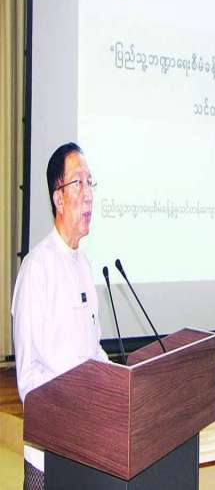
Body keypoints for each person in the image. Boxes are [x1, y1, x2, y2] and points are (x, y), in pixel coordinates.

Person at [12, 143, 110, 487]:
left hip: (87, 445)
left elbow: (92, 350)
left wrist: (118, 383)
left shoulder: (84, 265)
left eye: (90, 183)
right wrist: (70, 409)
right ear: (58, 197)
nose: (89, 195)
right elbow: (28, 377)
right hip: (50, 455)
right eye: (78, 183)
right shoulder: (36, 269)